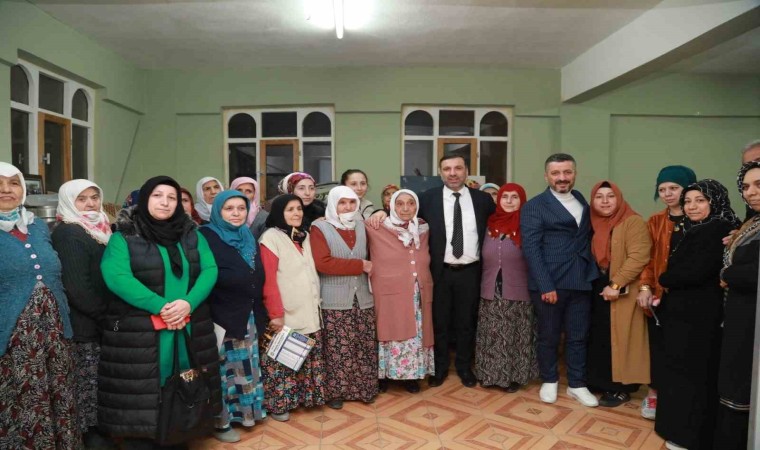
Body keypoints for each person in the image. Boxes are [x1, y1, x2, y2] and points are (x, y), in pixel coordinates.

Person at [99, 176, 221, 448]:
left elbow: (210, 269)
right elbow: (117, 276)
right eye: (157, 196)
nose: (165, 202)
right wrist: (160, 306)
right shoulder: (124, 237)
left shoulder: (193, 235)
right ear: (144, 199)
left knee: (186, 383)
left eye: (171, 197)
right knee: (147, 389)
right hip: (143, 330)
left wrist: (188, 303)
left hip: (188, 324)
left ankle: (180, 433)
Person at [654, 179, 739, 450]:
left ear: (715, 202)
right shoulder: (701, 228)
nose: (692, 206)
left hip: (698, 317)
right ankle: (677, 429)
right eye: (688, 201)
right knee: (681, 372)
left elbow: (694, 272)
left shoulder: (716, 229)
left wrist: (665, 278)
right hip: (686, 315)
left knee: (693, 375)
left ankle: (688, 436)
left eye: (700, 201)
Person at [0, 163, 80, 449]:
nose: (6, 190)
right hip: (13, 338)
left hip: (54, 332)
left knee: (60, 392)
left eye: (13, 183)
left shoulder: (37, 227)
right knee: (23, 397)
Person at [520, 153, 599, 407]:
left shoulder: (581, 200)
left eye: (567, 172)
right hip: (550, 283)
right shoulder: (534, 206)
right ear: (546, 176)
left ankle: (577, 384)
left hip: (581, 279)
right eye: (556, 173)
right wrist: (546, 285)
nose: (562, 178)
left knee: (578, 336)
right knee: (549, 336)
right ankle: (550, 380)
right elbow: (531, 248)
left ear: (574, 174)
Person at [418, 155, 495, 388]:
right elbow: (403, 214)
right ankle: (440, 368)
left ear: (466, 171)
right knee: (439, 322)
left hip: (471, 272)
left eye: (458, 168)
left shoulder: (483, 200)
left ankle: (464, 367)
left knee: (466, 322)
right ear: (440, 172)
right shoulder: (427, 198)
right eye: (447, 169)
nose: (452, 173)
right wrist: (380, 212)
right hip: (439, 272)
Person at [52, 179, 116, 448]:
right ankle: (92, 440)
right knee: (88, 388)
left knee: (98, 386)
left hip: (100, 321)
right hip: (85, 326)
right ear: (69, 202)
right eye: (82, 199)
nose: (90, 203)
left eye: (94, 197)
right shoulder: (70, 233)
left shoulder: (101, 228)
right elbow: (77, 288)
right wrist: (106, 318)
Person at [199, 190, 267, 443]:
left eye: (241, 208)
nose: (236, 214)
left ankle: (248, 414)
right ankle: (222, 422)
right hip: (221, 317)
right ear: (218, 211)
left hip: (249, 315)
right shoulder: (205, 236)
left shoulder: (247, 235)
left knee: (247, 366)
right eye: (229, 209)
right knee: (224, 371)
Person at [636, 165, 696, 420]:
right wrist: (645, 287)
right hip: (660, 297)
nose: (668, 194)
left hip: (691, 297)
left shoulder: (702, 219)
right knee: (658, 347)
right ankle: (654, 393)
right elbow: (648, 260)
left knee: (686, 348)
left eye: (674, 188)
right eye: (662, 189)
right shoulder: (655, 222)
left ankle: (680, 397)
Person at [258, 194, 326, 421]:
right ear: (279, 213)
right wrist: (275, 314)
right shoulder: (271, 237)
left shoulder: (303, 236)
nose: (296, 213)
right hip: (286, 312)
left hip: (308, 308)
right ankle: (280, 405)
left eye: (298, 208)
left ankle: (303, 399)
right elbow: (269, 280)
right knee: (283, 361)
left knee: (303, 357)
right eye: (290, 209)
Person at [311, 186, 377, 408]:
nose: (348, 207)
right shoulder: (320, 227)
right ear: (333, 204)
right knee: (338, 349)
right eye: (342, 202)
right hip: (334, 300)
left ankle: (364, 389)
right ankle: (336, 393)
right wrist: (360, 265)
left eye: (352, 202)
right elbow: (323, 263)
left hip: (363, 298)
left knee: (362, 345)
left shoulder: (362, 225)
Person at [587, 181, 651, 407]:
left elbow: (639, 257)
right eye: (599, 197)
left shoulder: (633, 221)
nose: (605, 201)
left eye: (610, 196)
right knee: (601, 336)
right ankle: (599, 382)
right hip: (597, 284)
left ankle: (621, 388)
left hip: (622, 288)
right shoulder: (593, 223)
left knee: (622, 339)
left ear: (619, 198)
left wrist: (615, 284)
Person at [367, 189, 435, 394]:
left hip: (417, 291)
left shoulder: (423, 228)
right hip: (388, 291)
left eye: (411, 203)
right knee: (388, 330)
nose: (406, 208)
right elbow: (348, 225)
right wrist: (379, 212)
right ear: (391, 206)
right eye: (400, 203)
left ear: (417, 206)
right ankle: (384, 375)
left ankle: (411, 376)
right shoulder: (376, 226)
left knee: (416, 333)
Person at [475, 183, 538, 393]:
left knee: (515, 336)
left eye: (514, 197)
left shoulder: (528, 225)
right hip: (490, 289)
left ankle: (514, 377)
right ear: (498, 200)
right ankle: (489, 375)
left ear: (522, 200)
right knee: (491, 334)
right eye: (505, 197)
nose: (509, 201)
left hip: (518, 290)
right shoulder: (489, 224)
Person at [715, 161, 760, 449]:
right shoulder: (752, 222)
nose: (750, 192)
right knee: (735, 384)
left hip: (752, 322)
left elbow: (753, 273)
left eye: (758, 185)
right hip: (740, 315)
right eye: (745, 187)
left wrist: (727, 273)